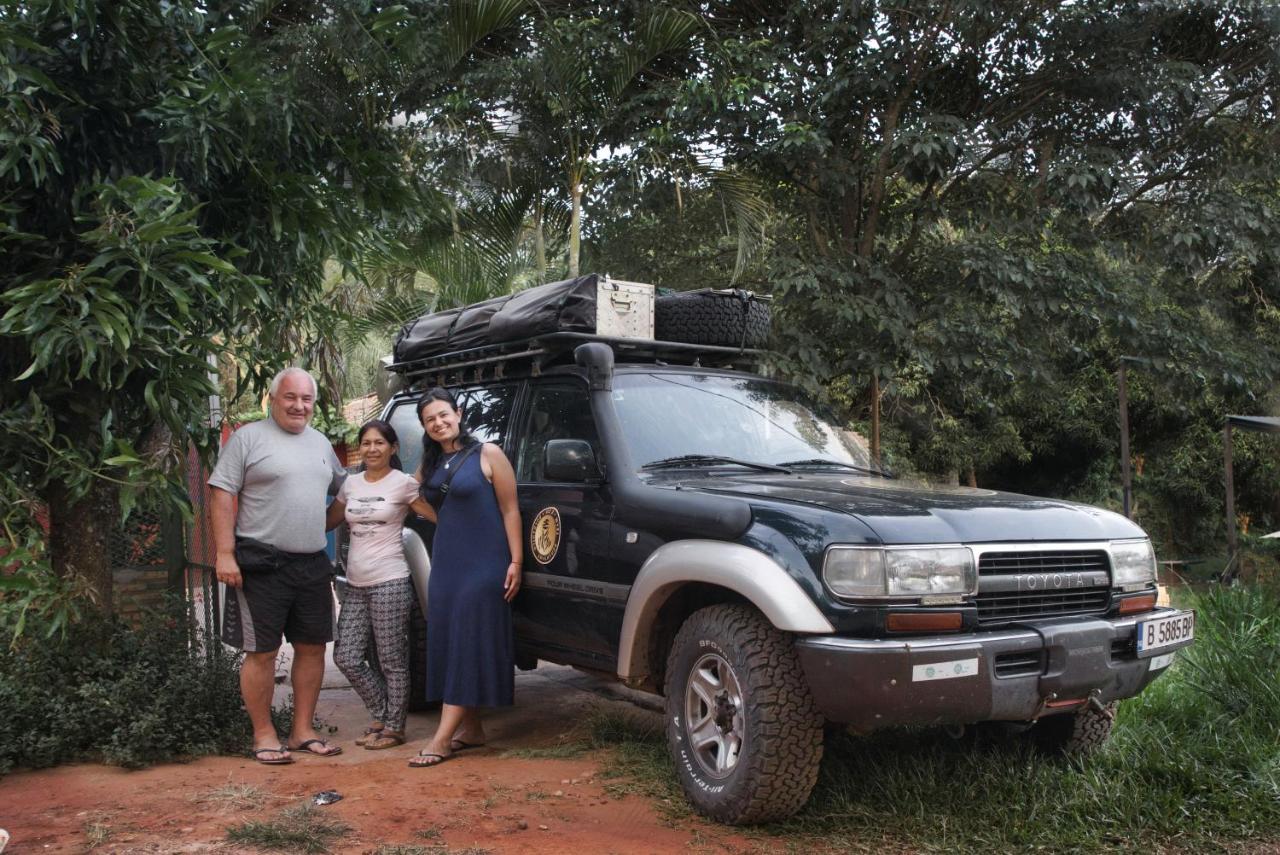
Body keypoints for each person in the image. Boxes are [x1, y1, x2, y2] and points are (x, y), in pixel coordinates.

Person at [209, 367, 347, 764]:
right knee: (263, 652)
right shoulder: (248, 438)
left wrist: (321, 524)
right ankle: (264, 733)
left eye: (306, 399)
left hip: (311, 564)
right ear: (272, 399)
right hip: (261, 563)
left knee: (311, 647)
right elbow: (221, 493)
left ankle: (302, 730)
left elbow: (345, 490)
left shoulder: (321, 443)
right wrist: (224, 552)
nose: (299, 406)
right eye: (290, 397)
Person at [409, 387, 522, 768]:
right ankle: (471, 728)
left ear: (458, 413)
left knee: (467, 640)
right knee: (450, 639)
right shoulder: (429, 464)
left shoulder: (487, 454)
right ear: (424, 426)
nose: (439, 423)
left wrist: (516, 561)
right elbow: (412, 495)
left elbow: (510, 510)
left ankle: (441, 738)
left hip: (485, 564)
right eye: (430, 419)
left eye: (443, 415)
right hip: (446, 564)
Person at [325, 419, 433, 750]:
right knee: (347, 656)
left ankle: (393, 728)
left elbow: (434, 515)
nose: (373, 449)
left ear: (393, 448)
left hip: (391, 580)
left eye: (380, 443)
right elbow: (328, 520)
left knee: (392, 660)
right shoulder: (351, 485)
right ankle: (383, 713)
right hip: (357, 583)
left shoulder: (403, 484)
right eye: (367, 443)